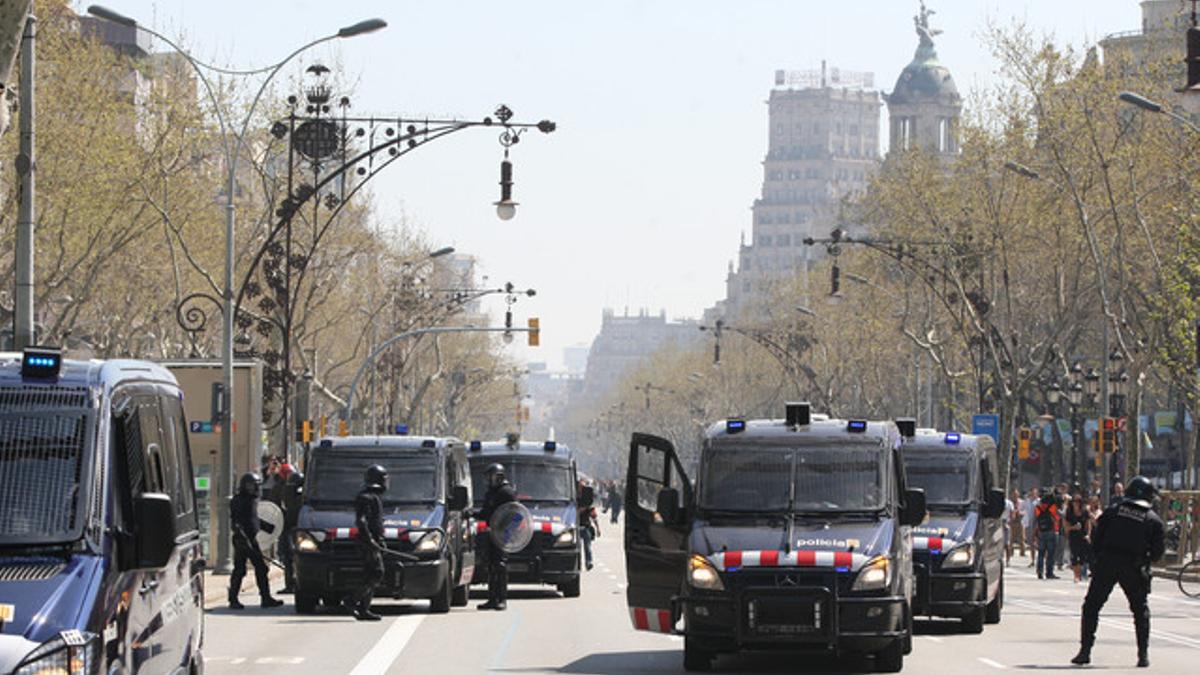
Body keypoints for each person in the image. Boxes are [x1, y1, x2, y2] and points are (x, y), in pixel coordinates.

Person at [1072, 476, 1165, 668]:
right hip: (1134, 566)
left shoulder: (1113, 511)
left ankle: (1085, 652)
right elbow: (1157, 553)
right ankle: (1143, 655)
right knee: (1140, 611)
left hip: (1108, 562)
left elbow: (1096, 538)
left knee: (1091, 607)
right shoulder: (1153, 519)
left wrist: (1098, 559)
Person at [229, 472, 284, 610]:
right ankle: (234, 599)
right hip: (242, 539)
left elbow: (252, 520)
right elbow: (236, 522)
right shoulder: (238, 500)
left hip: (250, 539)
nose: (252, 488)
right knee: (242, 570)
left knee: (260, 568)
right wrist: (243, 538)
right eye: (249, 485)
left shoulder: (252, 500)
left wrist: (267, 527)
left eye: (254, 485)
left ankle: (265, 598)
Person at [477, 463, 518, 610]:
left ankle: (502, 599)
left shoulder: (507, 493)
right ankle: (492, 599)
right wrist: (472, 514)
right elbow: (486, 512)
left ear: (499, 477)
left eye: (491, 477)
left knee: (500, 566)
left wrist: (507, 533)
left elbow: (517, 515)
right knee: (491, 566)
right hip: (491, 532)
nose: (488, 480)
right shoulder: (491, 493)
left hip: (502, 534)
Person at [350, 464, 388, 621]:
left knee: (371, 574)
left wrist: (381, 540)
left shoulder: (374, 497)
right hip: (367, 542)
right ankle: (352, 600)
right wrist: (370, 540)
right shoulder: (365, 497)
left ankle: (364, 608)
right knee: (376, 573)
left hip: (374, 540)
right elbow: (361, 521)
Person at [277, 469, 304, 594]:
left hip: (295, 529)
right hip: (291, 528)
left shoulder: (302, 496)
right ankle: (291, 584)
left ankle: (294, 583)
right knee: (288, 558)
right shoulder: (289, 494)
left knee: (291, 557)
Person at [1035, 490, 1061, 579]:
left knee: (1041, 553)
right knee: (1050, 553)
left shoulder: (1038, 507)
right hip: (1051, 531)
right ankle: (1049, 572)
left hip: (1041, 531)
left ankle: (1039, 571)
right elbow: (1056, 518)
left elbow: (1036, 519)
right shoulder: (1052, 507)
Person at [1065, 492, 1090, 583]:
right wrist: (1073, 527)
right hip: (1073, 536)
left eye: (1078, 501)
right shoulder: (1069, 512)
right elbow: (1066, 526)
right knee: (1074, 556)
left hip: (1082, 536)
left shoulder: (1084, 511)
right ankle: (1076, 575)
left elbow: (1088, 524)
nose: (1076, 503)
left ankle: (1081, 574)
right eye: (1074, 501)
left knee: (1082, 556)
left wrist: (1088, 534)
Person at [578, 480, 599, 571]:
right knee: (576, 548)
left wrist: (598, 528)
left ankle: (589, 562)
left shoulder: (588, 501)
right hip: (575, 527)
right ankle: (577, 564)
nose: (581, 489)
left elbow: (593, 515)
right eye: (580, 486)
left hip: (585, 526)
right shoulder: (573, 499)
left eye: (583, 487)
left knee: (588, 546)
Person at [1024, 488, 1040, 566]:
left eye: (1034, 492)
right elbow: (1022, 509)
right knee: (1031, 543)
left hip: (1037, 524)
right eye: (1032, 492)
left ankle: (1041, 560)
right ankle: (1033, 560)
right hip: (1028, 524)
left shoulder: (1038, 502)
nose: (1033, 494)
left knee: (1039, 543)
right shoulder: (1026, 501)